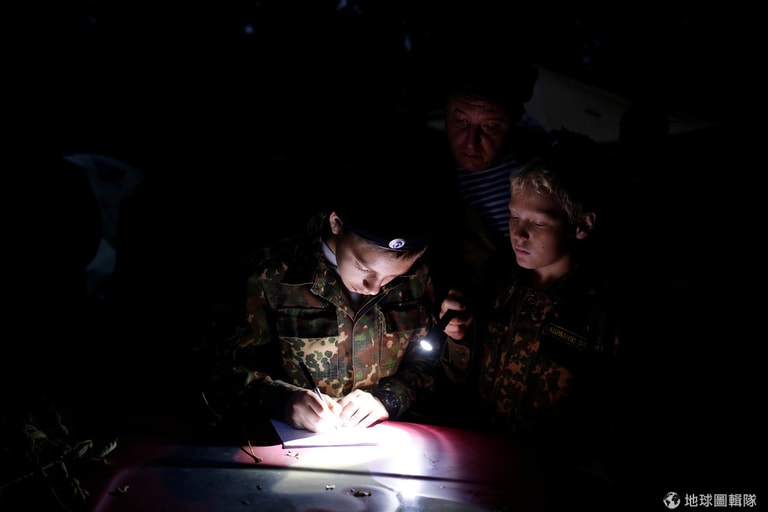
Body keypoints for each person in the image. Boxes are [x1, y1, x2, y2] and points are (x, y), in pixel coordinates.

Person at [201, 145, 443, 435]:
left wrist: (389, 398)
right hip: (281, 445)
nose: (375, 287)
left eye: (393, 276)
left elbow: (431, 361)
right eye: (364, 268)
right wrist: (282, 401)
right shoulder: (272, 274)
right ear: (336, 223)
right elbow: (215, 369)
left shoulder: (418, 276)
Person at [433, 130, 624, 495]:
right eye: (513, 216)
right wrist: (457, 338)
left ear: (582, 225)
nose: (518, 234)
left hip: (553, 482)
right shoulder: (491, 284)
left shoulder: (604, 312)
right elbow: (454, 382)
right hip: (476, 467)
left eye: (537, 222)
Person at [426, 52, 549, 307]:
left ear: (516, 121)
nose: (471, 142)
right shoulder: (425, 166)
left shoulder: (544, 176)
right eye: (460, 121)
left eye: (490, 126)